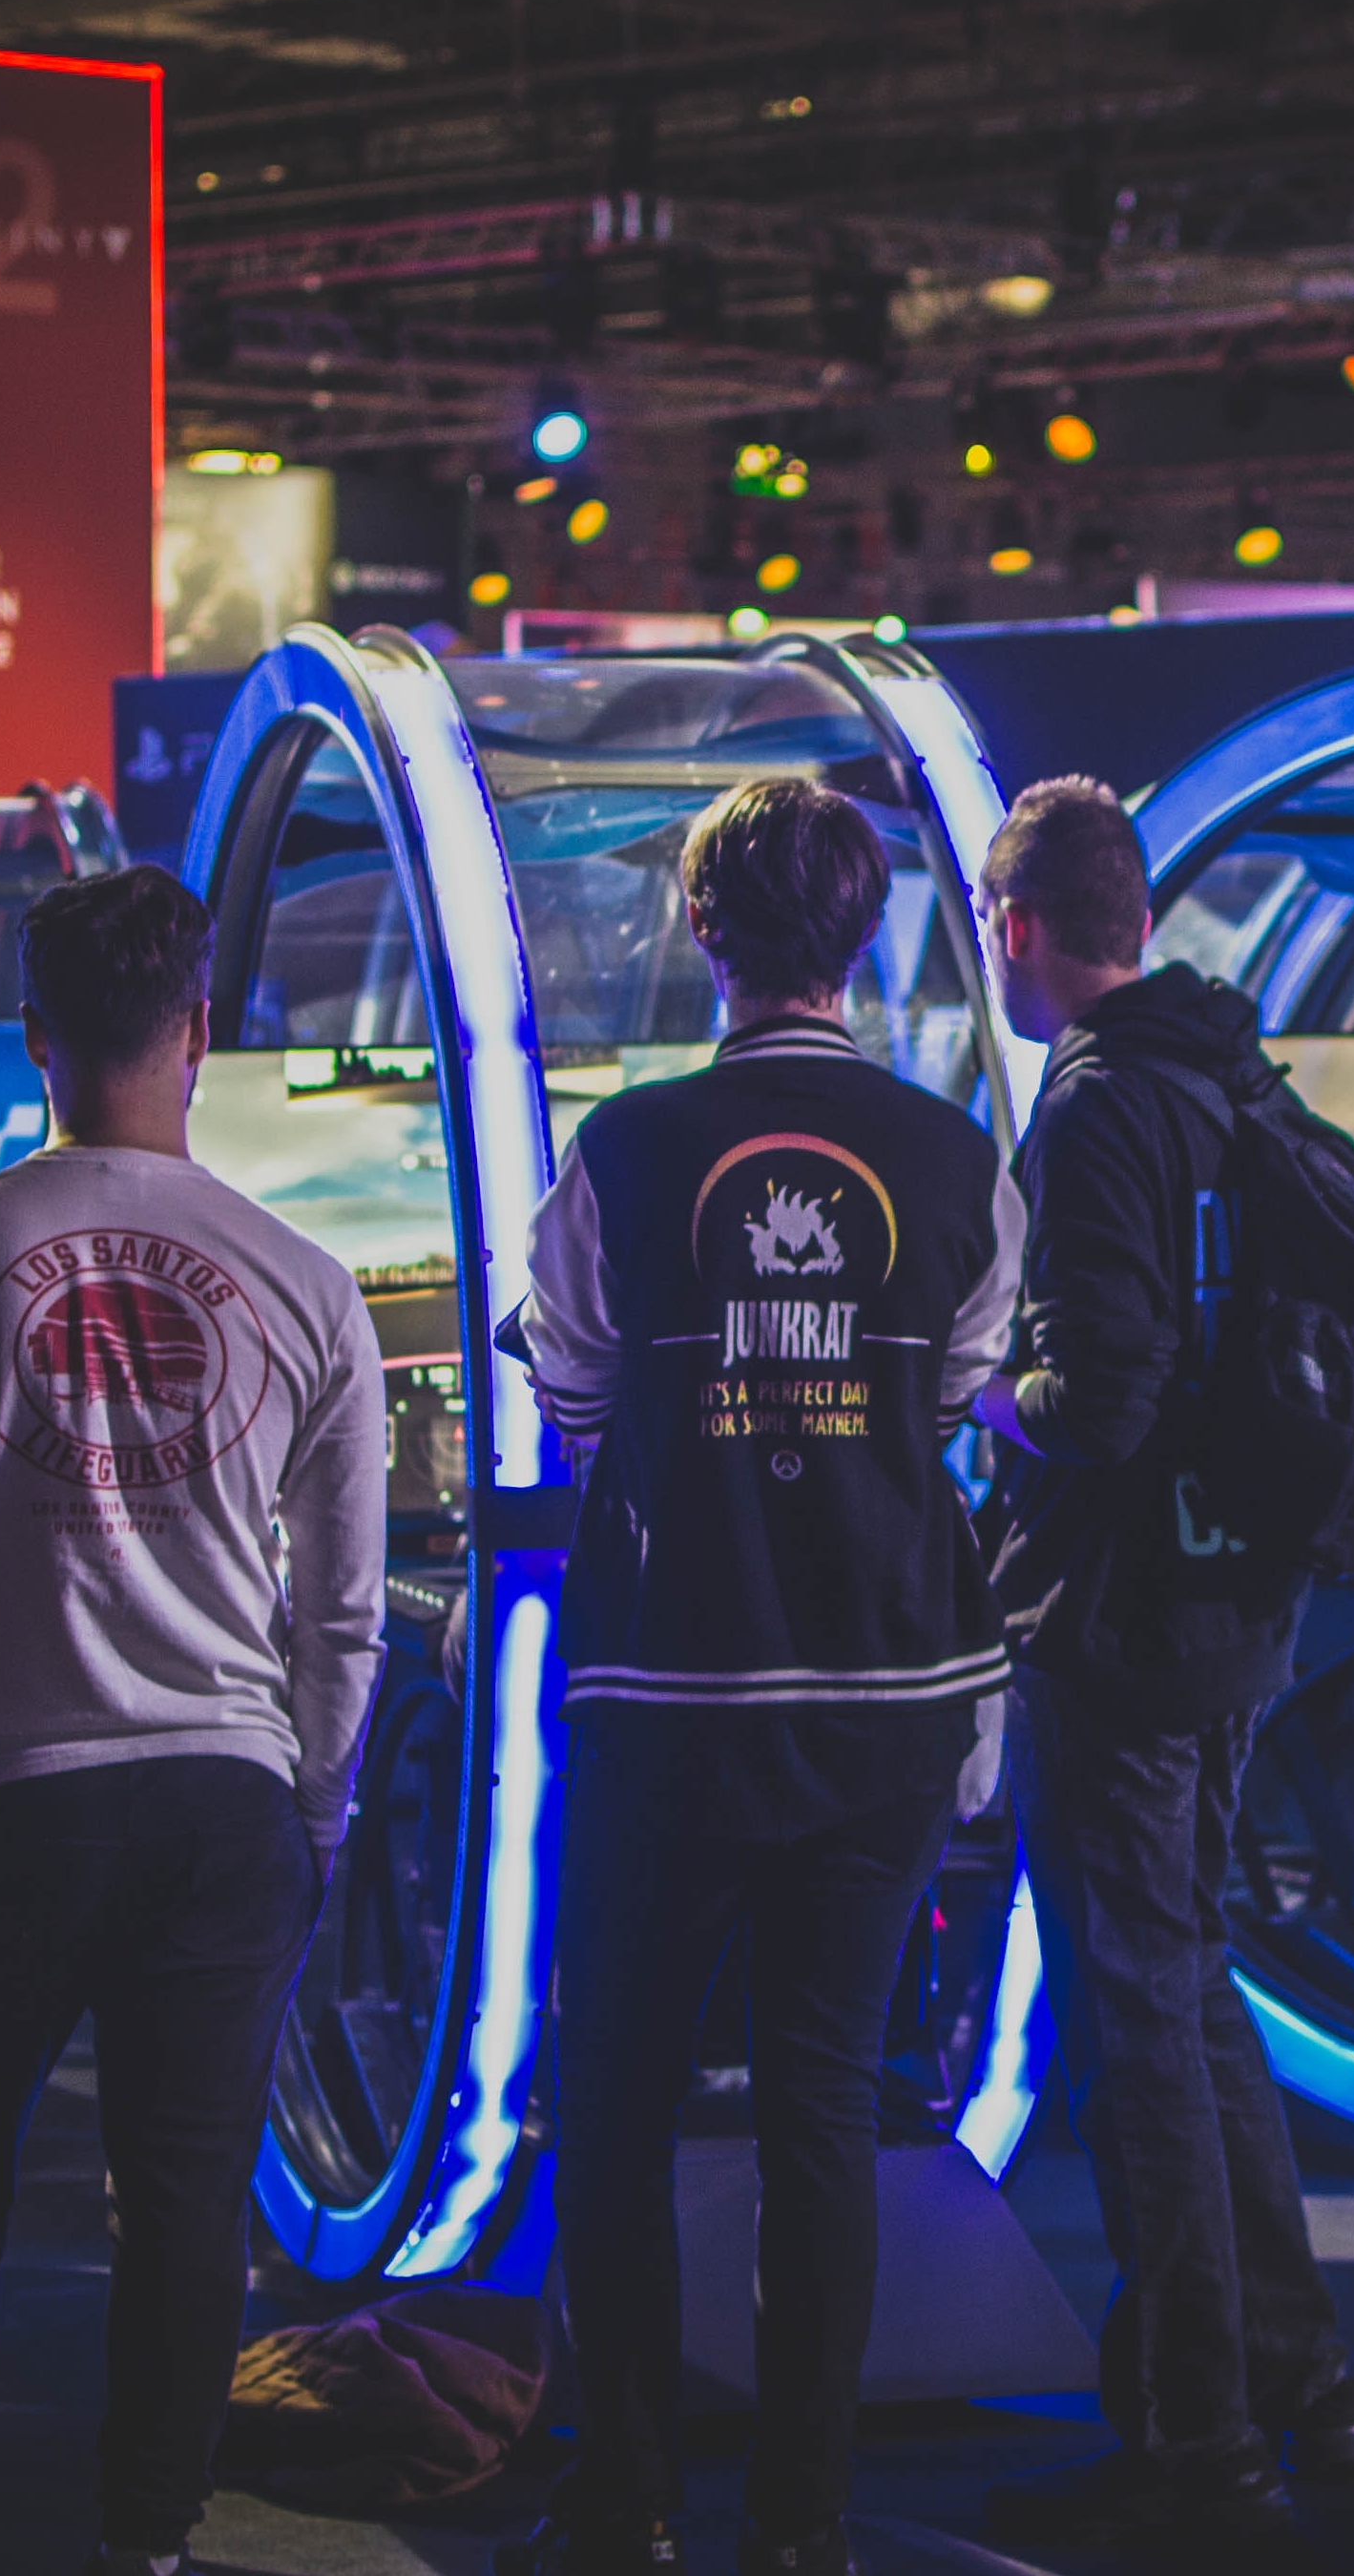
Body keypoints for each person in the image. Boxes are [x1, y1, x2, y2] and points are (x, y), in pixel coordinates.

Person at [0, 864, 387, 2576]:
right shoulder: (307, 1281)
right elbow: (340, 1612)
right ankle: (146, 2547)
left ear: (32, 1033)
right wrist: (314, 1809)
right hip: (220, 1799)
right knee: (188, 2196)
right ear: (199, 1029)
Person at [502, 778, 1022, 2576]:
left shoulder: (625, 1148)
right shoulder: (957, 1159)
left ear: (700, 927)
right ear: (865, 935)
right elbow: (948, 1400)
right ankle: (801, 2529)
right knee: (822, 2114)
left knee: (614, 2109)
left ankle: (626, 2503)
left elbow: (572, 1395)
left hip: (669, 1702)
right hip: (889, 1706)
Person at [964, 777, 1354, 2558]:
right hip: (1231, 1613)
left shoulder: (1096, 1102)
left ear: (1017, 928)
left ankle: (1198, 2438)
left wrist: (979, 1393)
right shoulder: (1229, 1071)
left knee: (1138, 2027)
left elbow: (1101, 1401)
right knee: (1192, 1996)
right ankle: (1302, 2382)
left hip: (1122, 1629)